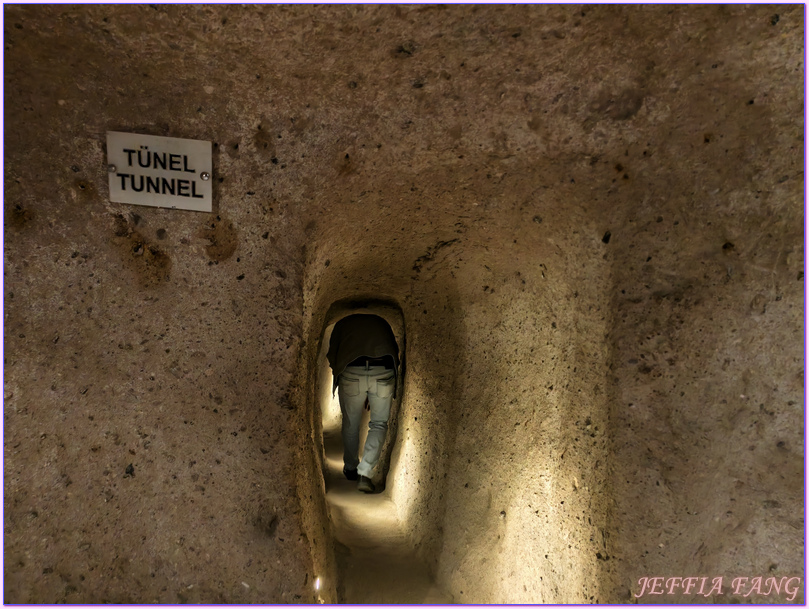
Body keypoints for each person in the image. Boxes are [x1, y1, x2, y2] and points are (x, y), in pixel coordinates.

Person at [327, 314, 400, 493]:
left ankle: (351, 467)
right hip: (383, 372)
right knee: (379, 423)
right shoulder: (382, 321)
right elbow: (394, 351)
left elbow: (332, 355)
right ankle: (365, 475)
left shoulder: (342, 322)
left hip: (351, 372)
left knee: (351, 423)